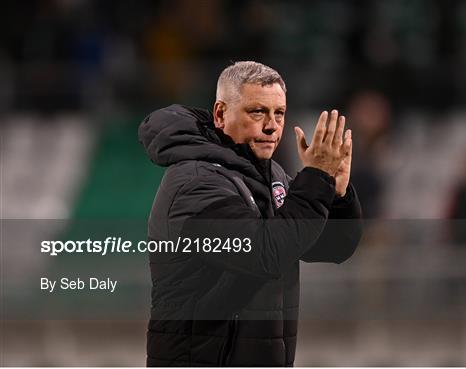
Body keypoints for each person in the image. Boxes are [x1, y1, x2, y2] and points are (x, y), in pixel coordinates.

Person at [139, 61, 363, 366]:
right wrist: (315, 179)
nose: (271, 126)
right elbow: (264, 254)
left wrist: (335, 194)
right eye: (257, 112)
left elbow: (334, 245)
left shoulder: (272, 177)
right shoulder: (194, 184)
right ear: (220, 114)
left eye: (279, 113)